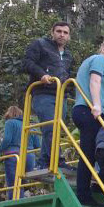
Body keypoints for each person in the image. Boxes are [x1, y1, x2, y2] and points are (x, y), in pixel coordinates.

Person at [72, 40, 104, 206]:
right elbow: (94, 81)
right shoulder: (99, 59)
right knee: (89, 154)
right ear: (103, 49)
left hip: (85, 110)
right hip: (88, 110)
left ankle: (92, 187)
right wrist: (97, 105)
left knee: (93, 152)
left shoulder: (99, 67)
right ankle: (84, 194)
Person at [22, 21, 74, 170]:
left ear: (69, 36)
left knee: (55, 128)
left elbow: (67, 73)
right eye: (59, 31)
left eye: (65, 32)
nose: (62, 35)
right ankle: (58, 160)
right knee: (50, 126)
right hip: (43, 93)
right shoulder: (40, 44)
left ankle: (44, 162)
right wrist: (42, 74)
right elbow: (27, 63)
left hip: (61, 95)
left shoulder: (69, 55)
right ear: (52, 32)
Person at [0, 106, 40, 200]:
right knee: (21, 183)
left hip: (14, 156)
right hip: (29, 157)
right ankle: (21, 200)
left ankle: (14, 205)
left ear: (9, 115)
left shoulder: (10, 122)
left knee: (13, 184)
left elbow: (7, 140)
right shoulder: (30, 125)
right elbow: (38, 145)